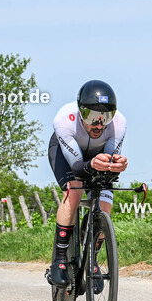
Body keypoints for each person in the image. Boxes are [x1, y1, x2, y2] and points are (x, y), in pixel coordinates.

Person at [47, 80, 127, 287]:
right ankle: (60, 260)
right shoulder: (64, 119)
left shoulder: (119, 124)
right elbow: (76, 166)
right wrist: (92, 164)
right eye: (92, 117)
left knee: (106, 202)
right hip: (67, 156)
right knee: (74, 191)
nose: (99, 124)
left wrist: (115, 165)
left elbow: (108, 161)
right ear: (80, 112)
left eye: (105, 117)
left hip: (96, 156)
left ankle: (92, 257)